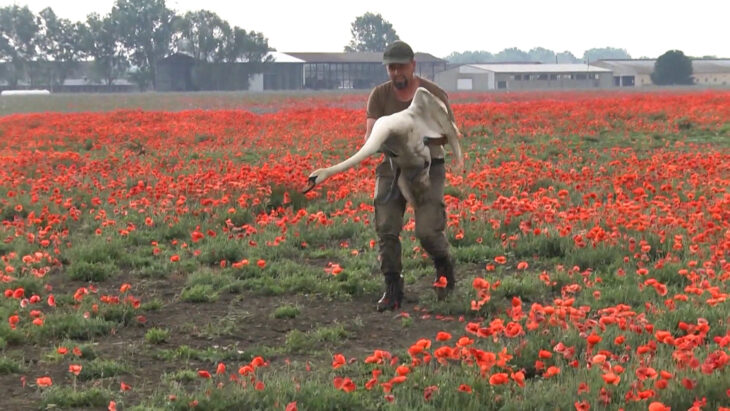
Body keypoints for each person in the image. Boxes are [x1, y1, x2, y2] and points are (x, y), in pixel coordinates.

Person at [364, 40, 461, 312]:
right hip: (392, 167)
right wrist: (394, 142)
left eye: (401, 67)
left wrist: (419, 139)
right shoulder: (379, 96)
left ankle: (444, 270)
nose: (396, 73)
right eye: (391, 68)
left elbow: (450, 133)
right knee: (386, 227)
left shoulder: (433, 94)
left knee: (428, 231)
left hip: (428, 168)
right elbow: (371, 136)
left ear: (413, 65)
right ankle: (393, 288)